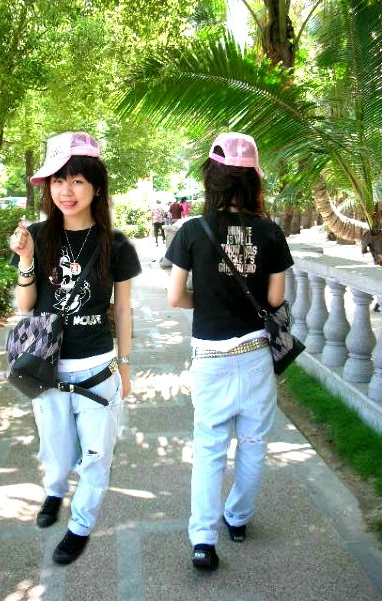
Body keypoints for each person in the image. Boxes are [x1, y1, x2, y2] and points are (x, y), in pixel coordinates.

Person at [8, 131, 141, 565]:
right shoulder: (37, 235)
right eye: (58, 180)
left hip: (97, 368)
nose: (67, 190)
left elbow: (123, 310)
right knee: (56, 452)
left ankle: (80, 524)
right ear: (48, 186)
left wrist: (125, 365)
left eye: (78, 180)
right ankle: (53, 491)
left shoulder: (116, 244)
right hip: (46, 367)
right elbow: (25, 305)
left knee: (97, 456)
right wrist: (26, 259)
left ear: (96, 187)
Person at [165, 132, 293, 570]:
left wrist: (208, 300)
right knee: (253, 442)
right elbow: (274, 299)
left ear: (212, 178)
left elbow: (175, 297)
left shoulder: (192, 230)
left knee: (209, 447)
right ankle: (237, 519)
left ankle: (203, 541)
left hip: (210, 357)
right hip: (256, 353)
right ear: (253, 180)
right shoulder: (270, 232)